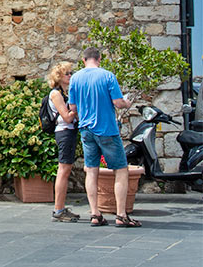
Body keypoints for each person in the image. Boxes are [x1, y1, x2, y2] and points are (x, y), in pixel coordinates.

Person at [68, 47, 140, 228]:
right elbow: (118, 102)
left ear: (84, 60)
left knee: (91, 170)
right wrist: (127, 102)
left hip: (86, 129)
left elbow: (73, 107)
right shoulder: (108, 76)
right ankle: (121, 215)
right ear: (99, 59)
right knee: (121, 170)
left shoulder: (75, 78)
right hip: (106, 128)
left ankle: (94, 213)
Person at [47, 62, 79, 222]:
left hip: (69, 132)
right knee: (63, 169)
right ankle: (58, 210)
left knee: (65, 169)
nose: (71, 76)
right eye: (68, 74)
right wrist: (77, 109)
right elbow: (66, 117)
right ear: (59, 77)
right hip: (64, 133)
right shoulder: (56, 94)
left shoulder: (65, 93)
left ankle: (60, 208)